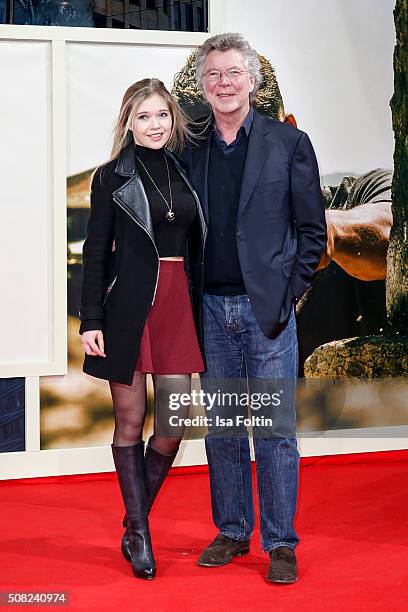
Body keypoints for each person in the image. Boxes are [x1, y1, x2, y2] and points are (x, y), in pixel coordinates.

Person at [182, 33, 327, 583]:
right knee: (222, 428)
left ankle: (281, 542)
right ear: (202, 83)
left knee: (272, 429)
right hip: (209, 312)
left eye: (233, 72)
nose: (224, 83)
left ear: (252, 80)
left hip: (268, 312)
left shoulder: (289, 144)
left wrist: (288, 296)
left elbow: (312, 231)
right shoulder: (189, 145)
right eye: (213, 74)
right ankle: (232, 530)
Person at [79, 79, 206, 580]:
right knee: (130, 423)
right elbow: (95, 252)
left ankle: (134, 525)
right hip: (128, 308)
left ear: (173, 120)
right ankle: (142, 536)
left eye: (162, 116)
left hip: (178, 306)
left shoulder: (186, 172)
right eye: (144, 117)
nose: (155, 125)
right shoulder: (110, 177)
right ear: (128, 122)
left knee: (172, 428)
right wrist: (91, 319)